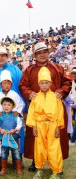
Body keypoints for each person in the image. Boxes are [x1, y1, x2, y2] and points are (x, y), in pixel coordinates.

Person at [19, 42, 71, 172]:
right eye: (39, 53)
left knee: (57, 137)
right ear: (35, 55)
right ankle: (35, 162)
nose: (42, 55)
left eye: (44, 52)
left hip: (54, 110)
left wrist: (61, 91)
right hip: (37, 111)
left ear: (48, 53)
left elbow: (67, 82)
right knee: (35, 137)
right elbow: (22, 86)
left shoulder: (58, 68)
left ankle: (57, 165)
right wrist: (29, 94)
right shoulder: (29, 70)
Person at [26, 67, 64, 179]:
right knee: (39, 147)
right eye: (42, 83)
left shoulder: (56, 97)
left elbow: (59, 112)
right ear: (39, 84)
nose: (44, 85)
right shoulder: (35, 97)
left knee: (54, 147)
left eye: (46, 83)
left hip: (52, 124)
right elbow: (31, 112)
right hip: (40, 125)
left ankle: (56, 171)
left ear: (50, 83)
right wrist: (33, 126)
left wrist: (58, 126)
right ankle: (39, 169)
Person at [0, 97, 23, 175]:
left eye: (8, 105)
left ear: (12, 106)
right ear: (2, 105)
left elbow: (19, 125)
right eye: (4, 105)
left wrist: (14, 130)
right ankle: (4, 169)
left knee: (16, 153)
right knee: (4, 153)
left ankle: (18, 168)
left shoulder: (15, 115)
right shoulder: (0, 115)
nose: (6, 107)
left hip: (14, 138)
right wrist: (0, 129)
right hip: (4, 138)